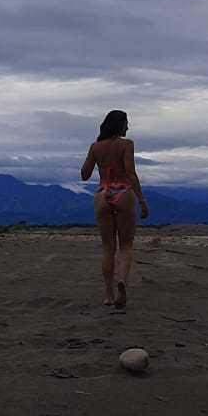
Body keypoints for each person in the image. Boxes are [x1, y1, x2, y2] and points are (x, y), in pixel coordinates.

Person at [80, 109, 149, 308]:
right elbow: (130, 172)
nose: (128, 126)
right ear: (120, 125)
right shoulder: (127, 145)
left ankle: (108, 295)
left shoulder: (95, 147)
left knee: (108, 247)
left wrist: (95, 157)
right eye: (126, 123)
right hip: (123, 193)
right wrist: (142, 200)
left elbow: (84, 174)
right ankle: (121, 280)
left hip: (103, 194)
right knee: (126, 245)